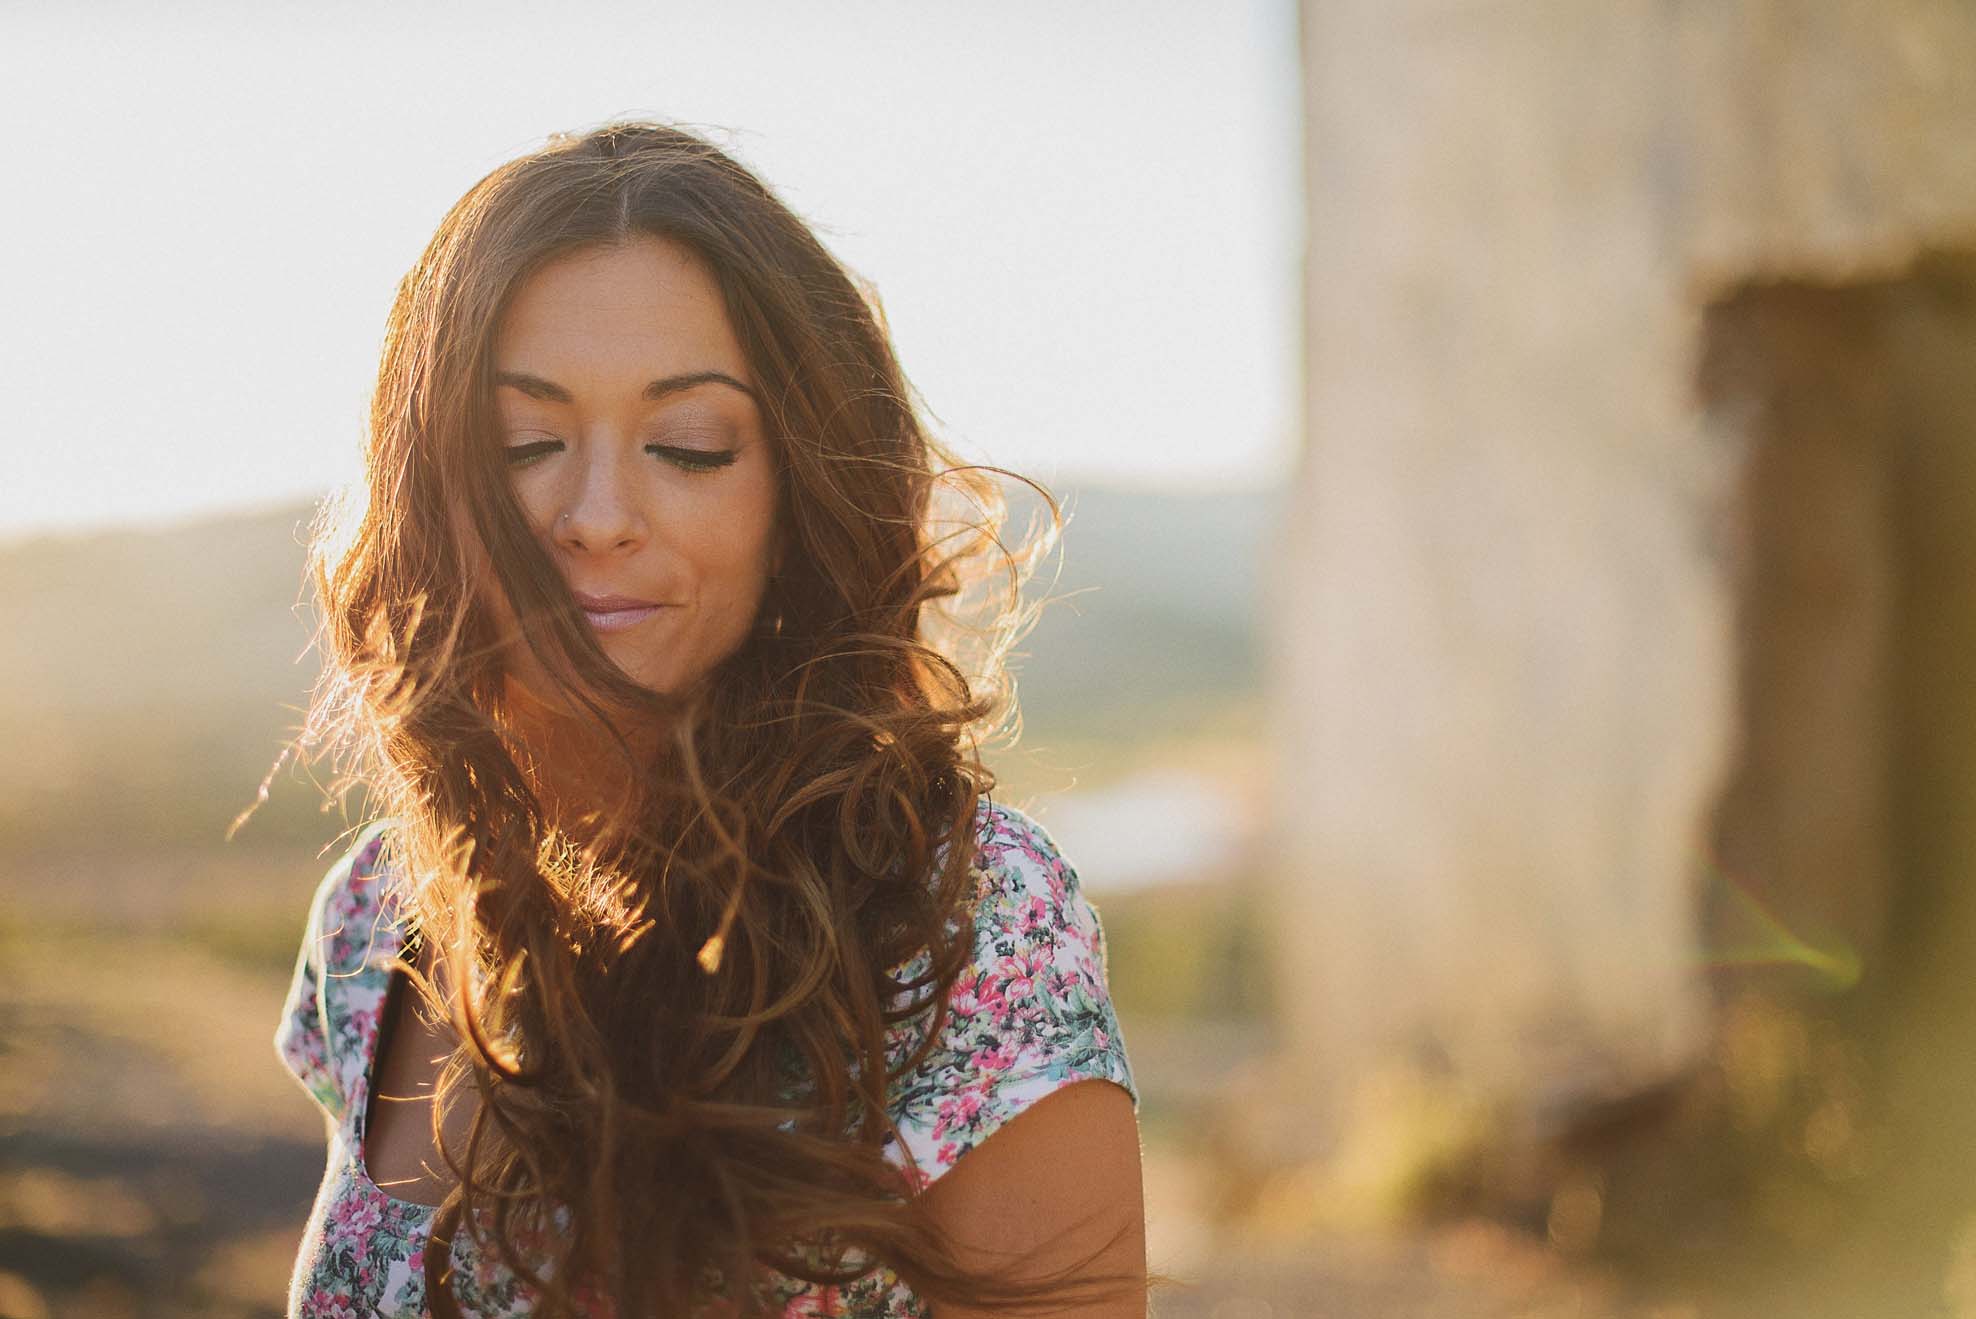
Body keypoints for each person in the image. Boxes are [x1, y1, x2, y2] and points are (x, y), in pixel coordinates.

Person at [271, 122, 1144, 1318]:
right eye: (523, 443)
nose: (596, 514)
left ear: (797, 494)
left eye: (687, 447)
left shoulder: (967, 921)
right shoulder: (374, 914)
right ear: (431, 487)